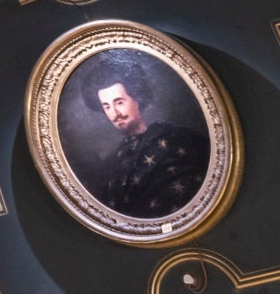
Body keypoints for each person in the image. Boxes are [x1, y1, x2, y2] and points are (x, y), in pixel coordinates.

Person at [88, 63, 210, 218]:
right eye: (107, 107)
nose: (115, 113)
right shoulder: (113, 160)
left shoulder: (174, 138)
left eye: (119, 102)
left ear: (137, 99)